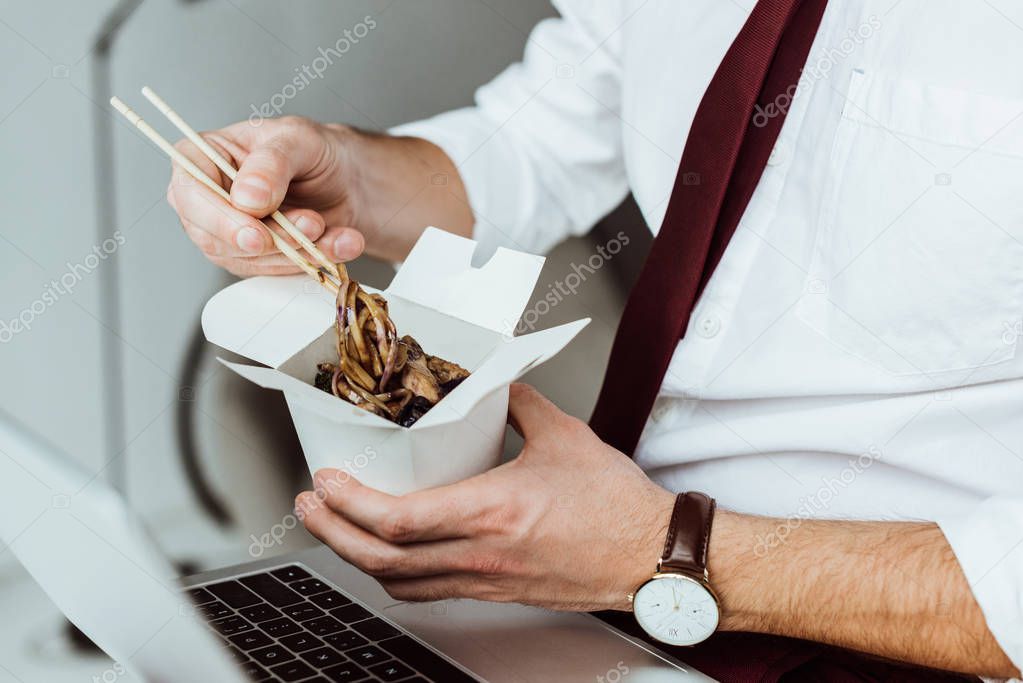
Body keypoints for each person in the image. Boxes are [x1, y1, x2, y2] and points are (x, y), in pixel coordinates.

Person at [167, 1, 1023, 679]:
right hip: (626, 618)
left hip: (905, 650)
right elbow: (540, 142)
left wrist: (660, 551)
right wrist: (352, 174)